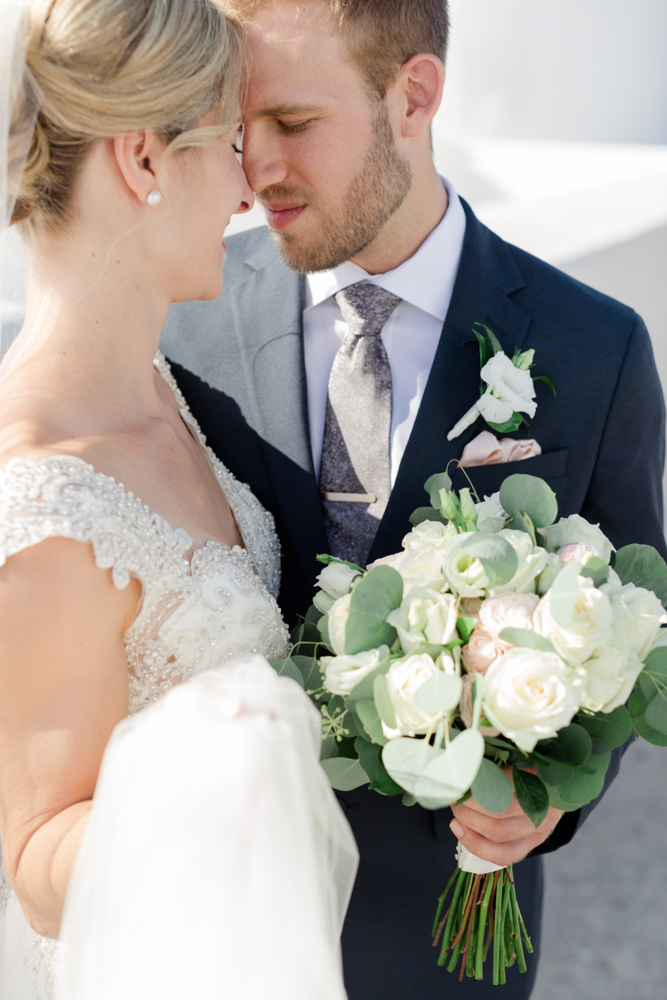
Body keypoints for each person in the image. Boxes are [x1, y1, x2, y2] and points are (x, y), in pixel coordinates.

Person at [159, 0, 667, 997]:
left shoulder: (590, 347)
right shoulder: (185, 321)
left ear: (415, 95)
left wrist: (549, 796)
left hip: (446, 941)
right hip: (221, 929)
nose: (255, 167)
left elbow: (637, 632)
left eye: (292, 123)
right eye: (237, 129)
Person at [0, 1, 357, 998]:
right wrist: (220, 764)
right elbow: (36, 870)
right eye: (230, 145)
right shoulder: (39, 494)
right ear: (143, 161)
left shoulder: (170, 390)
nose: (250, 187)